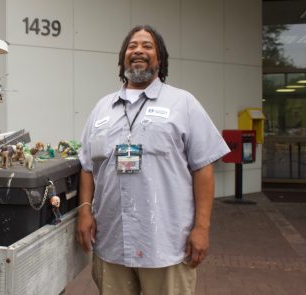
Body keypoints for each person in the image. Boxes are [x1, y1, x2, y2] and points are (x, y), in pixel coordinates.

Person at [76, 25, 230, 295]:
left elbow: (203, 169)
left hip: (167, 245)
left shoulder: (184, 104)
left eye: (147, 46)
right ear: (123, 56)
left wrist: (202, 229)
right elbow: (88, 167)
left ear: (160, 60)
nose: (138, 50)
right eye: (132, 46)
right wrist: (85, 210)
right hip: (112, 243)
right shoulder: (102, 108)